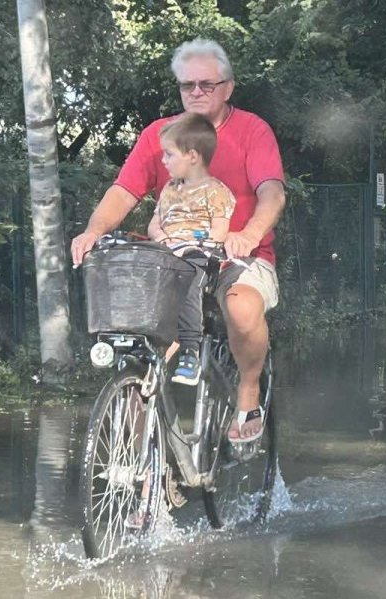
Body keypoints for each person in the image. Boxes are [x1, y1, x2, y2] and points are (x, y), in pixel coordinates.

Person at [71, 38, 285, 444]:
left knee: (241, 308)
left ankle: (248, 392)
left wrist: (249, 234)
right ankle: (145, 471)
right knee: (140, 351)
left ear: (228, 87)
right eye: (188, 86)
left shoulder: (252, 131)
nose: (197, 93)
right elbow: (124, 191)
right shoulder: (160, 135)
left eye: (207, 84)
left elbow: (272, 192)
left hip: (236, 256)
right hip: (173, 260)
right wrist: (93, 231)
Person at [147, 112, 235, 386]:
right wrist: (164, 241)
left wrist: (195, 242)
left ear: (193, 157)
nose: (164, 161)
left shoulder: (216, 191)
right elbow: (154, 225)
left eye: (169, 155)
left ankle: (190, 351)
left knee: (188, 276)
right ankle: (144, 344)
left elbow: (220, 230)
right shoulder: (169, 190)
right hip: (168, 255)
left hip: (199, 258)